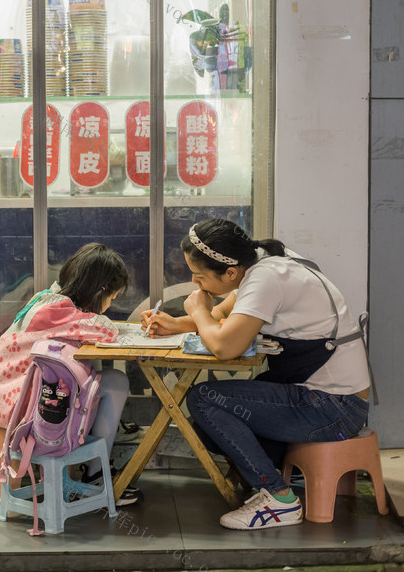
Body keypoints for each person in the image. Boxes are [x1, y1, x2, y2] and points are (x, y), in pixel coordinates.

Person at [143, 218, 371, 530]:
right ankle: (267, 481)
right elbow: (224, 316)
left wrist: (197, 311)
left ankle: (279, 499)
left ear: (230, 273)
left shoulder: (265, 280)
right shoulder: (263, 259)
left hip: (333, 409)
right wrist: (175, 323)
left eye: (199, 277)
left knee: (205, 398)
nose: (197, 285)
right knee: (216, 420)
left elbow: (225, 346)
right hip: (335, 399)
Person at [0, 243, 143, 506]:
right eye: (112, 298)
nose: (110, 306)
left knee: (92, 378)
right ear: (99, 290)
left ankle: (89, 472)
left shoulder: (46, 300)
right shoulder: (61, 313)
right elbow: (107, 330)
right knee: (113, 382)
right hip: (23, 407)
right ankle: (94, 473)